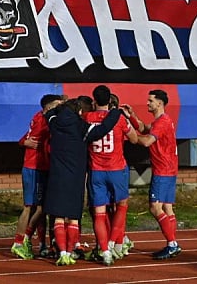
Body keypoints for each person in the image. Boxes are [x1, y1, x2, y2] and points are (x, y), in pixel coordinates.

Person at [43, 97, 125, 266]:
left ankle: (63, 253)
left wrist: (59, 108)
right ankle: (71, 250)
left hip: (57, 176)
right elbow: (102, 129)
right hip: (75, 177)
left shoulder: (54, 122)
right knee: (72, 218)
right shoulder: (80, 127)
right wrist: (116, 112)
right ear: (79, 112)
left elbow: (49, 113)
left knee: (58, 217)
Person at [82, 85, 138, 266]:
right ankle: (114, 243)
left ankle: (105, 251)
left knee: (99, 213)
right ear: (110, 101)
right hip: (116, 168)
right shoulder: (119, 118)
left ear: (94, 101)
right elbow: (135, 138)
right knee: (121, 206)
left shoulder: (86, 118)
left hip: (96, 170)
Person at [123, 89, 182, 260]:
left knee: (155, 207)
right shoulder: (163, 121)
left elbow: (147, 140)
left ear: (159, 103)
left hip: (163, 169)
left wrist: (132, 137)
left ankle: (172, 244)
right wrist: (131, 116)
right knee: (167, 208)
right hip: (169, 168)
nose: (147, 103)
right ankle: (172, 244)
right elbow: (144, 127)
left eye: (150, 101)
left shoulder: (162, 122)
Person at [11, 94, 63, 260]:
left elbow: (25, 137)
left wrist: (23, 142)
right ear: (48, 108)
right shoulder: (44, 120)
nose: (60, 109)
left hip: (41, 167)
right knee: (33, 207)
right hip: (35, 168)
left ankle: (41, 244)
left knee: (42, 207)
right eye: (57, 105)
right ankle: (21, 240)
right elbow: (29, 138)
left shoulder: (39, 117)